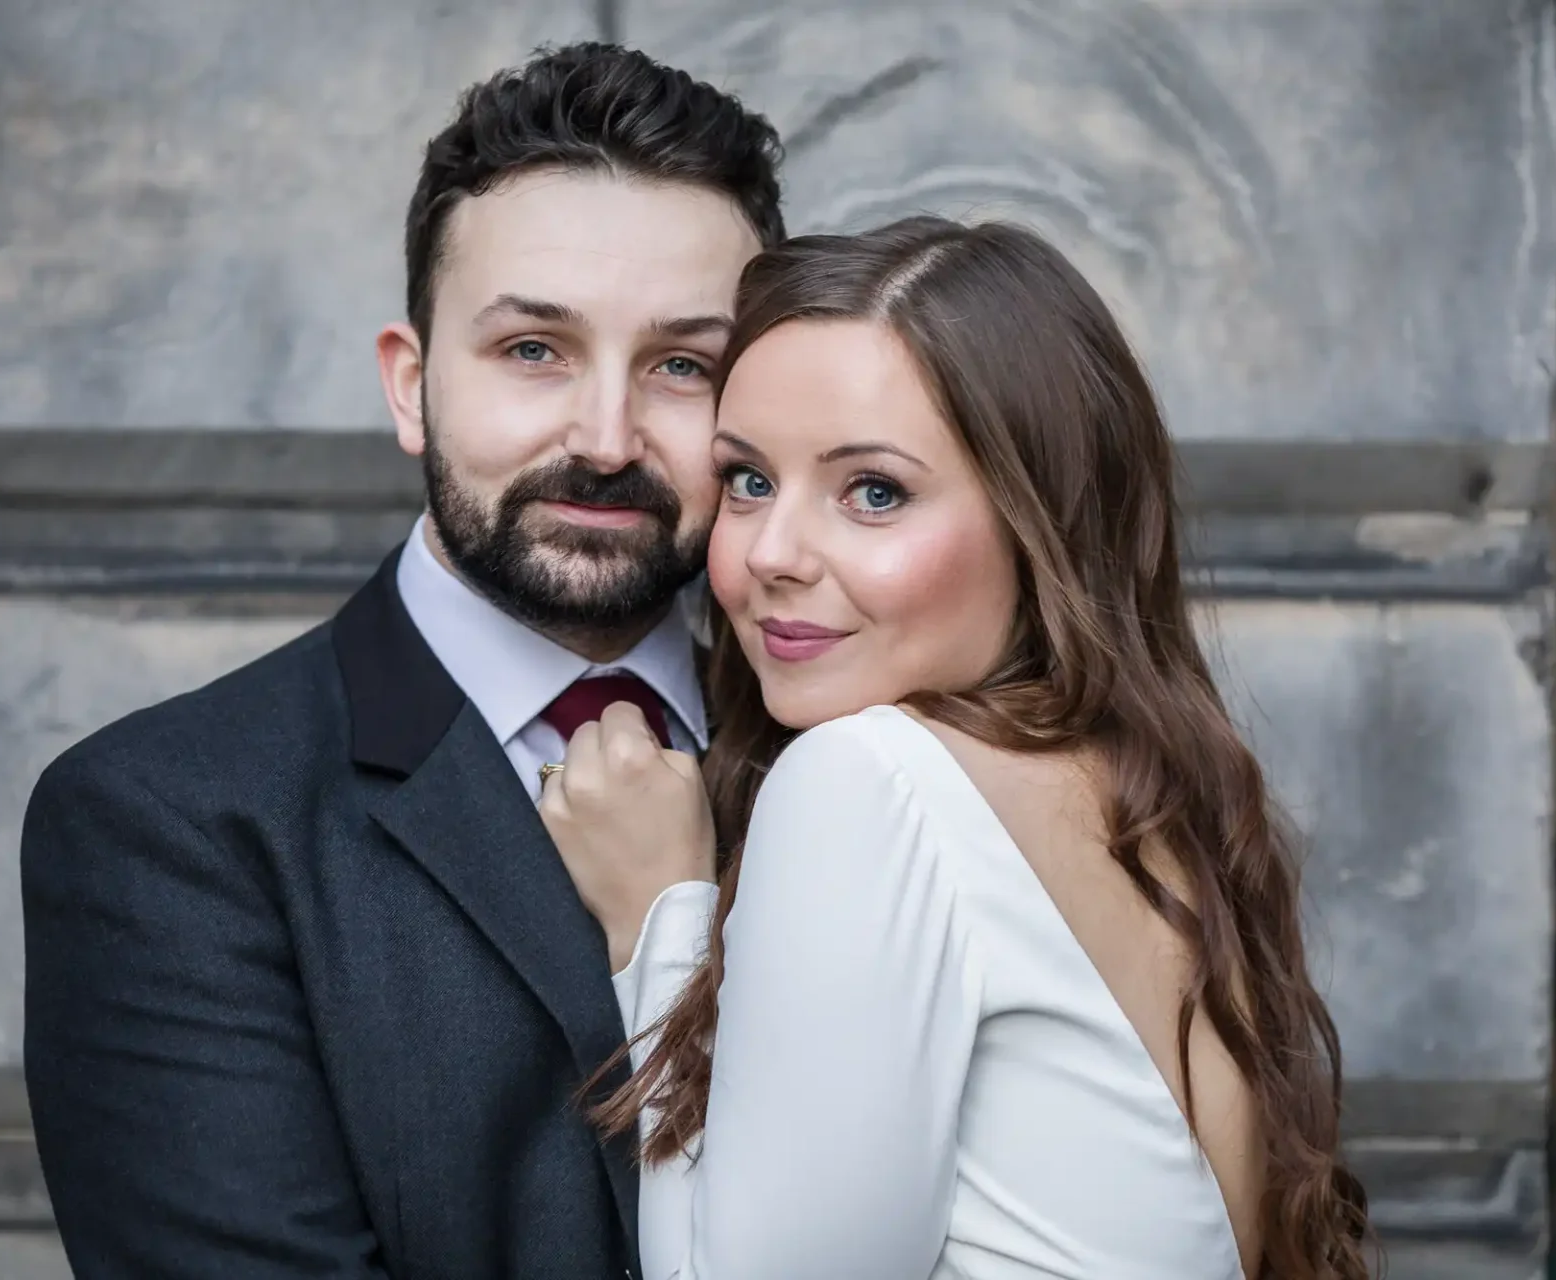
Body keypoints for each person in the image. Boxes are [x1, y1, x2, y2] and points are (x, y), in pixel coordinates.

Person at [19, 43, 783, 1279]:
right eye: (533, 349)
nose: (603, 437)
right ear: (412, 386)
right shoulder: (166, 823)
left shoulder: (869, 759)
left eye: (683, 365)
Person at [541, 217, 1374, 1279]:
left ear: (1042, 526)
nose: (771, 555)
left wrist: (658, 912)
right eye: (747, 479)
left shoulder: (870, 781)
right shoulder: (1133, 790)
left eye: (874, 492)